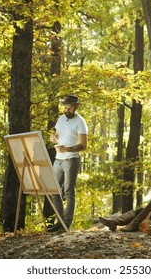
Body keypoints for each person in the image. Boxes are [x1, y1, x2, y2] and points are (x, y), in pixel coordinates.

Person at [47, 95, 88, 232]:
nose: (67, 109)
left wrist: (68, 149)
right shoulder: (60, 119)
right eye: (65, 107)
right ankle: (59, 221)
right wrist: (54, 138)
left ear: (77, 106)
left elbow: (83, 145)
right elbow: (58, 135)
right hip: (58, 159)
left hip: (72, 159)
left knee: (68, 191)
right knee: (54, 191)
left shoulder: (80, 122)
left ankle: (66, 223)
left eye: (69, 107)